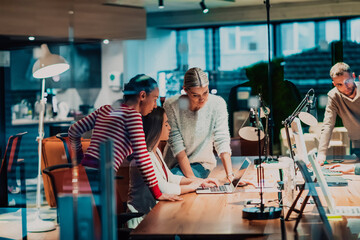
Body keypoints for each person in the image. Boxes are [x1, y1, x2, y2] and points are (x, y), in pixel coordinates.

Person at [68, 74, 181, 201]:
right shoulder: (133, 116)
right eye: (154, 99)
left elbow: (74, 130)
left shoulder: (105, 109)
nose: (155, 105)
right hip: (101, 176)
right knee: (101, 218)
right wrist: (158, 194)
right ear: (142, 96)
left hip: (84, 171)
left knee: (91, 217)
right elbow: (142, 157)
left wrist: (78, 158)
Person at [127, 107, 219, 228]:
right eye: (166, 124)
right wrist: (193, 186)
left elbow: (171, 178)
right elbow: (163, 190)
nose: (169, 127)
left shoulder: (155, 152)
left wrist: (200, 182)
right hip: (142, 222)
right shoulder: (144, 158)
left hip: (156, 215)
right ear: (156, 127)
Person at [163, 67, 234, 181]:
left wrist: (230, 175)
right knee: (168, 183)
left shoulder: (217, 104)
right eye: (195, 95)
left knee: (173, 183)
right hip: (174, 162)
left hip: (201, 163)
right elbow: (177, 145)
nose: (202, 99)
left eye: (205, 93)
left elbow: (222, 139)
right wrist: (194, 181)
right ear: (185, 89)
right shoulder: (172, 105)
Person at [317, 62, 360, 174]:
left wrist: (352, 168)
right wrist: (321, 155)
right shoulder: (333, 96)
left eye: (347, 82)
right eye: (339, 84)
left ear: (353, 77)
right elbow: (328, 125)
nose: (345, 87)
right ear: (334, 84)